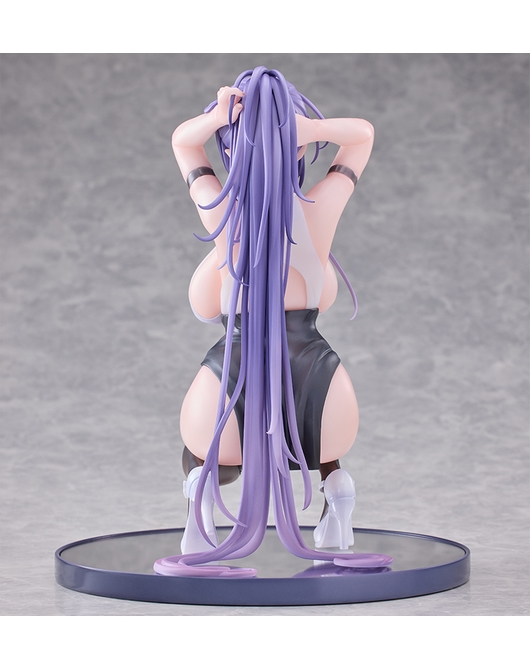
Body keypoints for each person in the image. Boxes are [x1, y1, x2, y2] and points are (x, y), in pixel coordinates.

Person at [154, 67, 384, 578]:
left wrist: (218, 117)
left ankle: (200, 508)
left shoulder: (222, 213)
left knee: (205, 455)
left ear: (231, 148)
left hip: (233, 365)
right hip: (315, 366)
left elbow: (183, 144)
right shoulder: (318, 211)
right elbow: (362, 136)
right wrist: (309, 130)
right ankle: (337, 496)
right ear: (298, 150)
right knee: (325, 457)